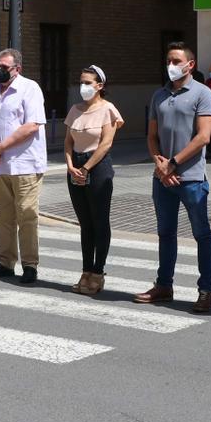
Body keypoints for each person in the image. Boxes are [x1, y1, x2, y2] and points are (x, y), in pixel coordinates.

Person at [135, 41, 211, 312]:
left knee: (201, 234)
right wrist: (160, 163)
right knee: (165, 233)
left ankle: (205, 291)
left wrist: (173, 163)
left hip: (191, 178)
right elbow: (151, 136)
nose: (170, 65)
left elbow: (203, 136)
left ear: (190, 64)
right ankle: (163, 285)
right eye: (168, 60)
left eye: (175, 61)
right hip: (162, 178)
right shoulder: (159, 95)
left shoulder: (203, 93)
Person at [0, 48, 47, 284]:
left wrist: (0, 147)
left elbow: (32, 125)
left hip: (24, 164)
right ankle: (6, 262)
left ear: (17, 69)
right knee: (4, 216)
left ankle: (29, 265)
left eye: (4, 67)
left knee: (27, 214)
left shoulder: (30, 88)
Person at [63, 65, 124, 295]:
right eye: (81, 82)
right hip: (76, 166)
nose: (83, 87)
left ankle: (98, 272)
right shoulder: (75, 109)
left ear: (100, 86)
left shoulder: (108, 109)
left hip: (97, 167)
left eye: (88, 83)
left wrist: (87, 168)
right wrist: (70, 165)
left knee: (100, 221)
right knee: (85, 223)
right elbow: (68, 140)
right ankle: (86, 270)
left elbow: (106, 143)